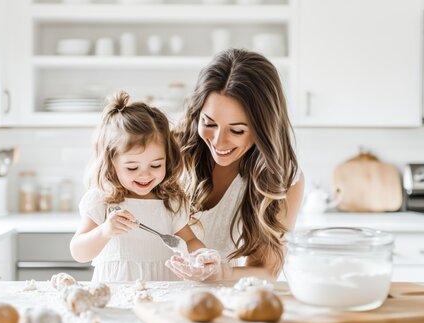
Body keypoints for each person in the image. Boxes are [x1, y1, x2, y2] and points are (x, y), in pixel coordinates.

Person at [165, 48, 305, 282]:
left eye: (237, 130)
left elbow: (266, 270)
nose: (219, 141)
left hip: (212, 303)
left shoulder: (284, 179)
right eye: (208, 123)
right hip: (145, 289)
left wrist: (222, 272)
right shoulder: (170, 151)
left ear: (264, 128)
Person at [70, 91, 210, 282]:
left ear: (168, 160)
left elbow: (190, 241)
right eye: (132, 167)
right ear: (112, 164)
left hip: (163, 291)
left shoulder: (171, 201)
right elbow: (79, 252)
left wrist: (200, 256)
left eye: (155, 165)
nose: (145, 174)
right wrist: (104, 231)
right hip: (116, 291)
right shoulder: (102, 200)